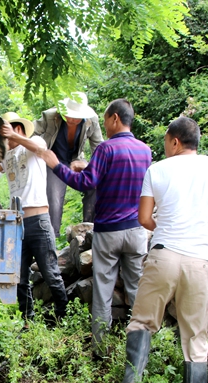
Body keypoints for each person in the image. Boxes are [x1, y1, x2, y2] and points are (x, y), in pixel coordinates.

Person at [112, 116, 208, 383]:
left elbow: (144, 219)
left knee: (143, 320)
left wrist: (167, 224)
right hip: (199, 260)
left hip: (164, 255)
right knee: (195, 334)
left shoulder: (157, 170)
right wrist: (206, 223)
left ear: (174, 141)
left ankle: (132, 378)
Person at [41, 99, 151, 357]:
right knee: (136, 291)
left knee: (103, 291)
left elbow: (87, 183)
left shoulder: (106, 149)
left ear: (114, 119)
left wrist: (56, 165)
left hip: (109, 231)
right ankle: (140, 353)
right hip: (136, 232)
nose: (104, 126)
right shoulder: (145, 151)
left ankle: (100, 351)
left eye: (105, 121)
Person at [0, 112, 69, 323]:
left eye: (4, 133)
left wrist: (14, 135)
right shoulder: (5, 156)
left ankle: (63, 316)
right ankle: (28, 322)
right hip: (17, 223)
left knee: (50, 273)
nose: (2, 139)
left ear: (18, 129)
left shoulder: (34, 142)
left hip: (39, 219)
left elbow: (42, 151)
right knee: (20, 278)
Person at [34, 92, 104, 236]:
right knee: (54, 197)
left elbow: (99, 148)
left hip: (76, 159)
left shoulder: (92, 120)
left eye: (76, 117)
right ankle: (51, 238)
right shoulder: (50, 116)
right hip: (53, 160)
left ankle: (90, 230)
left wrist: (90, 167)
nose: (71, 119)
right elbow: (30, 134)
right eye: (69, 115)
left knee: (95, 184)